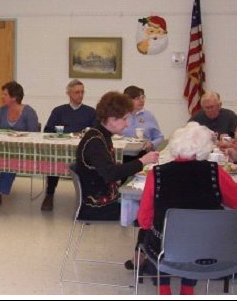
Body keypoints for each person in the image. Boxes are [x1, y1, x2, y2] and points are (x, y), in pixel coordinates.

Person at [132, 122, 237, 295]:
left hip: (166, 247)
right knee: (196, 233)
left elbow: (144, 220)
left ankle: (164, 289)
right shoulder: (214, 171)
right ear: (204, 148)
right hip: (209, 246)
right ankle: (187, 289)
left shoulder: (155, 174)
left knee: (156, 233)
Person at [76, 91, 159, 221]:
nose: (127, 124)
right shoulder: (95, 141)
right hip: (97, 207)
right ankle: (144, 242)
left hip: (107, 198)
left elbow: (109, 169)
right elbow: (111, 174)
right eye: (124, 119)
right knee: (151, 211)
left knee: (149, 206)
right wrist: (142, 161)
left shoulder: (102, 135)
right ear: (111, 118)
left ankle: (144, 241)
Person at [41, 79, 96, 211]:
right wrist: (66, 132)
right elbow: (48, 130)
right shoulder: (59, 111)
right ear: (69, 93)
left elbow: (95, 132)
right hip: (61, 149)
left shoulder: (90, 112)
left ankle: (87, 198)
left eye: (82, 92)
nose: (80, 95)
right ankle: (49, 194)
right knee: (53, 159)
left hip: (83, 151)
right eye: (77, 92)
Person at [122, 85, 164, 152]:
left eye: (143, 97)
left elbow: (159, 137)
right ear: (128, 100)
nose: (141, 101)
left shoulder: (149, 116)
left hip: (143, 154)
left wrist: (152, 144)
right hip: (122, 154)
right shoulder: (120, 115)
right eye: (137, 98)